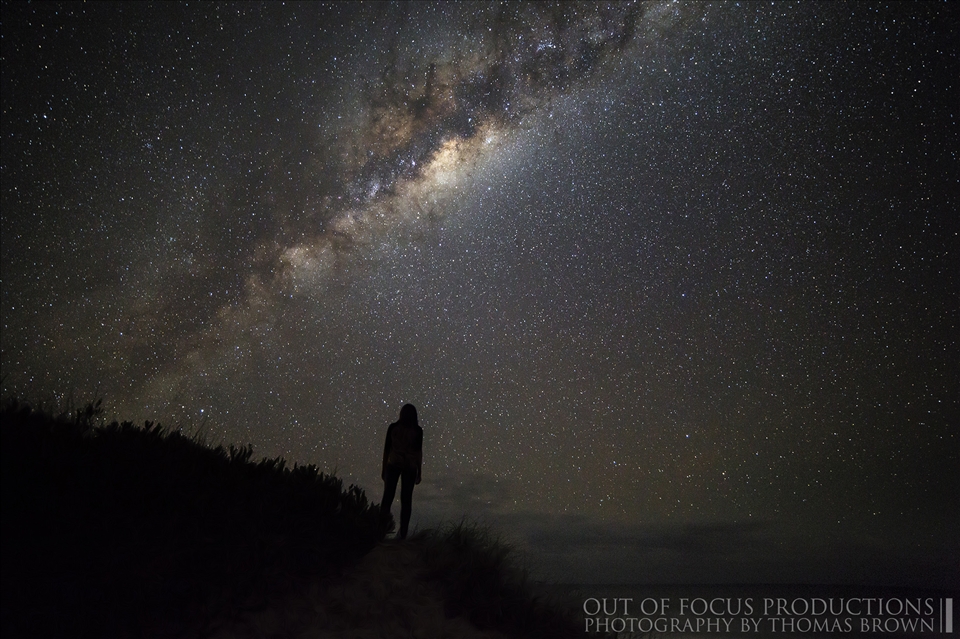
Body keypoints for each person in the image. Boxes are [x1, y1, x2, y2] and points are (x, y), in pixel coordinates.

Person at [380, 403, 423, 539]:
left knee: (388, 497)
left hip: (393, 464)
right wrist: (419, 472)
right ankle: (402, 534)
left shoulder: (393, 428)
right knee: (406, 500)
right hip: (410, 467)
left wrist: (383, 469)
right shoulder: (417, 431)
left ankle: (380, 530)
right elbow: (418, 452)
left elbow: (387, 450)